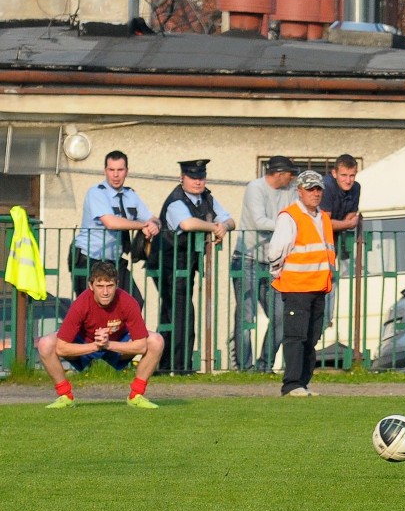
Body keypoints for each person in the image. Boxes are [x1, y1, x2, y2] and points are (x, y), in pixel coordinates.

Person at [36, 261, 164, 409]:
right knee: (46, 344)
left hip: (117, 343)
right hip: (85, 342)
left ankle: (136, 396)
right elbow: (61, 348)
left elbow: (141, 346)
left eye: (109, 286)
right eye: (100, 286)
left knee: (156, 340)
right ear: (91, 286)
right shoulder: (81, 304)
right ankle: (65, 396)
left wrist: (108, 344)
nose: (105, 292)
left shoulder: (128, 302)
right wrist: (96, 345)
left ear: (117, 284)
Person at [153, 159, 235, 373]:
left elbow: (230, 220)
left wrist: (223, 226)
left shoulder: (207, 197)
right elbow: (187, 224)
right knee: (182, 312)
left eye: (201, 177)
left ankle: (163, 365)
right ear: (182, 178)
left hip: (186, 264)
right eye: (193, 177)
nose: (198, 182)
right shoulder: (176, 201)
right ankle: (181, 366)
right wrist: (215, 227)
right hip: (167, 264)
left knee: (170, 314)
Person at [268, 170, 335, 397]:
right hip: (297, 286)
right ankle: (292, 384)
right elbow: (276, 251)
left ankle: (303, 383)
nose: (315, 193)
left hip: (318, 286)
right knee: (296, 337)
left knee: (311, 338)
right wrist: (277, 272)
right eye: (310, 189)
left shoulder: (323, 217)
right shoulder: (290, 216)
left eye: (318, 189)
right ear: (300, 191)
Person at [231, 155, 299, 371]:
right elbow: (260, 221)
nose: (292, 179)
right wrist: (288, 226)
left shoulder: (290, 190)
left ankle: (265, 364)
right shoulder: (256, 188)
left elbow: (295, 214)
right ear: (279, 174)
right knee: (246, 315)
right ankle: (244, 366)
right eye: (290, 174)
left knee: (280, 315)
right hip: (247, 259)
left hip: (273, 261)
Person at [70, 150, 160, 309]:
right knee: (91, 310)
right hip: (90, 258)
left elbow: (151, 217)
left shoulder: (130, 194)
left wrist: (154, 225)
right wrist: (142, 225)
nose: (116, 175)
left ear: (127, 171)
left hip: (114, 260)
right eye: (111, 170)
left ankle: (122, 335)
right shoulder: (96, 193)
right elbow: (111, 222)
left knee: (134, 303)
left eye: (120, 170)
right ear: (105, 171)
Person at [319, 153, 360, 327]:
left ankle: (325, 319)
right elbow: (324, 223)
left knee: (330, 280)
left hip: (331, 245)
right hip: (315, 243)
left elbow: (351, 216)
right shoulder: (326, 186)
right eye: (344, 175)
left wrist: (342, 224)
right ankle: (321, 318)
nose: (348, 180)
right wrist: (345, 223)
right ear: (334, 173)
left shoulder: (356, 187)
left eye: (352, 175)